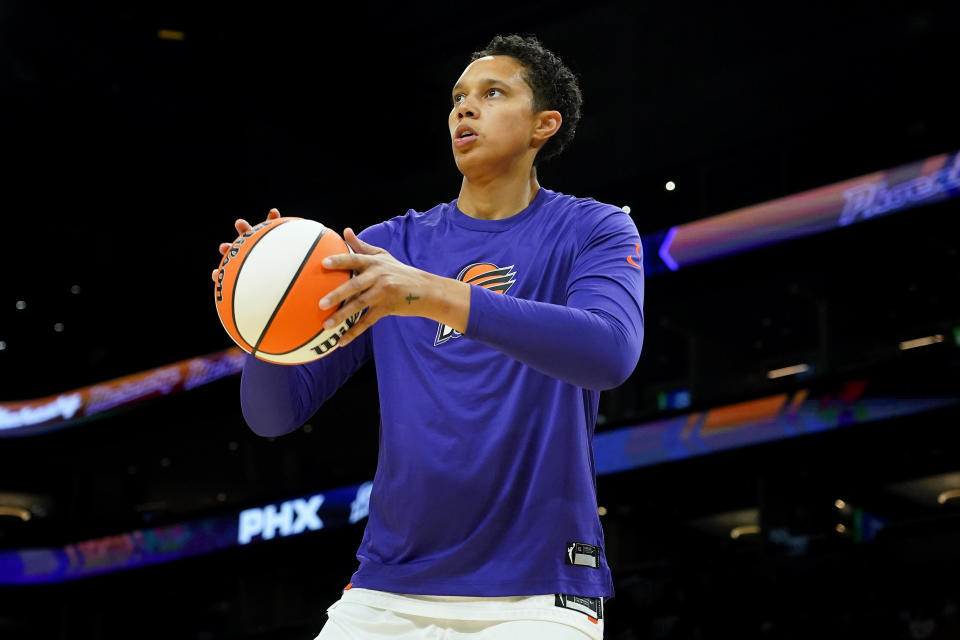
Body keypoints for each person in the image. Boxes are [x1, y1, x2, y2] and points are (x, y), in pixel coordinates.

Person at [213, 34, 644, 640]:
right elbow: (273, 414)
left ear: (544, 124)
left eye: (492, 93)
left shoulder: (594, 227)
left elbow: (609, 352)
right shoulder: (390, 248)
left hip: (537, 591)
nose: (465, 108)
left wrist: (428, 293)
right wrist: (259, 316)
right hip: (386, 589)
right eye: (458, 98)